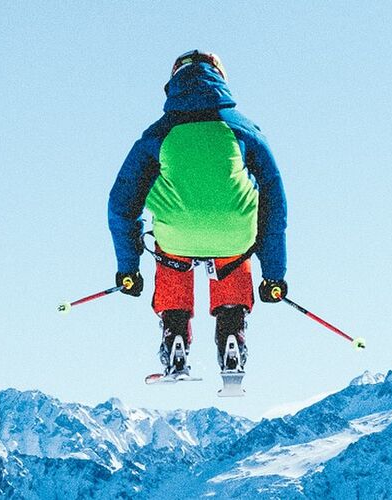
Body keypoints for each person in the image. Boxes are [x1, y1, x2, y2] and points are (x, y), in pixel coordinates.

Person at [108, 50, 289, 378]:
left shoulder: (157, 134)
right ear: (221, 80)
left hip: (177, 235)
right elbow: (274, 202)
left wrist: (128, 269)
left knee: (169, 238)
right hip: (234, 235)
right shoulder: (244, 130)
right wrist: (273, 274)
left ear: (173, 82)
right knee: (233, 234)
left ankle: (175, 334)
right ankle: (231, 332)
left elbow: (121, 204)